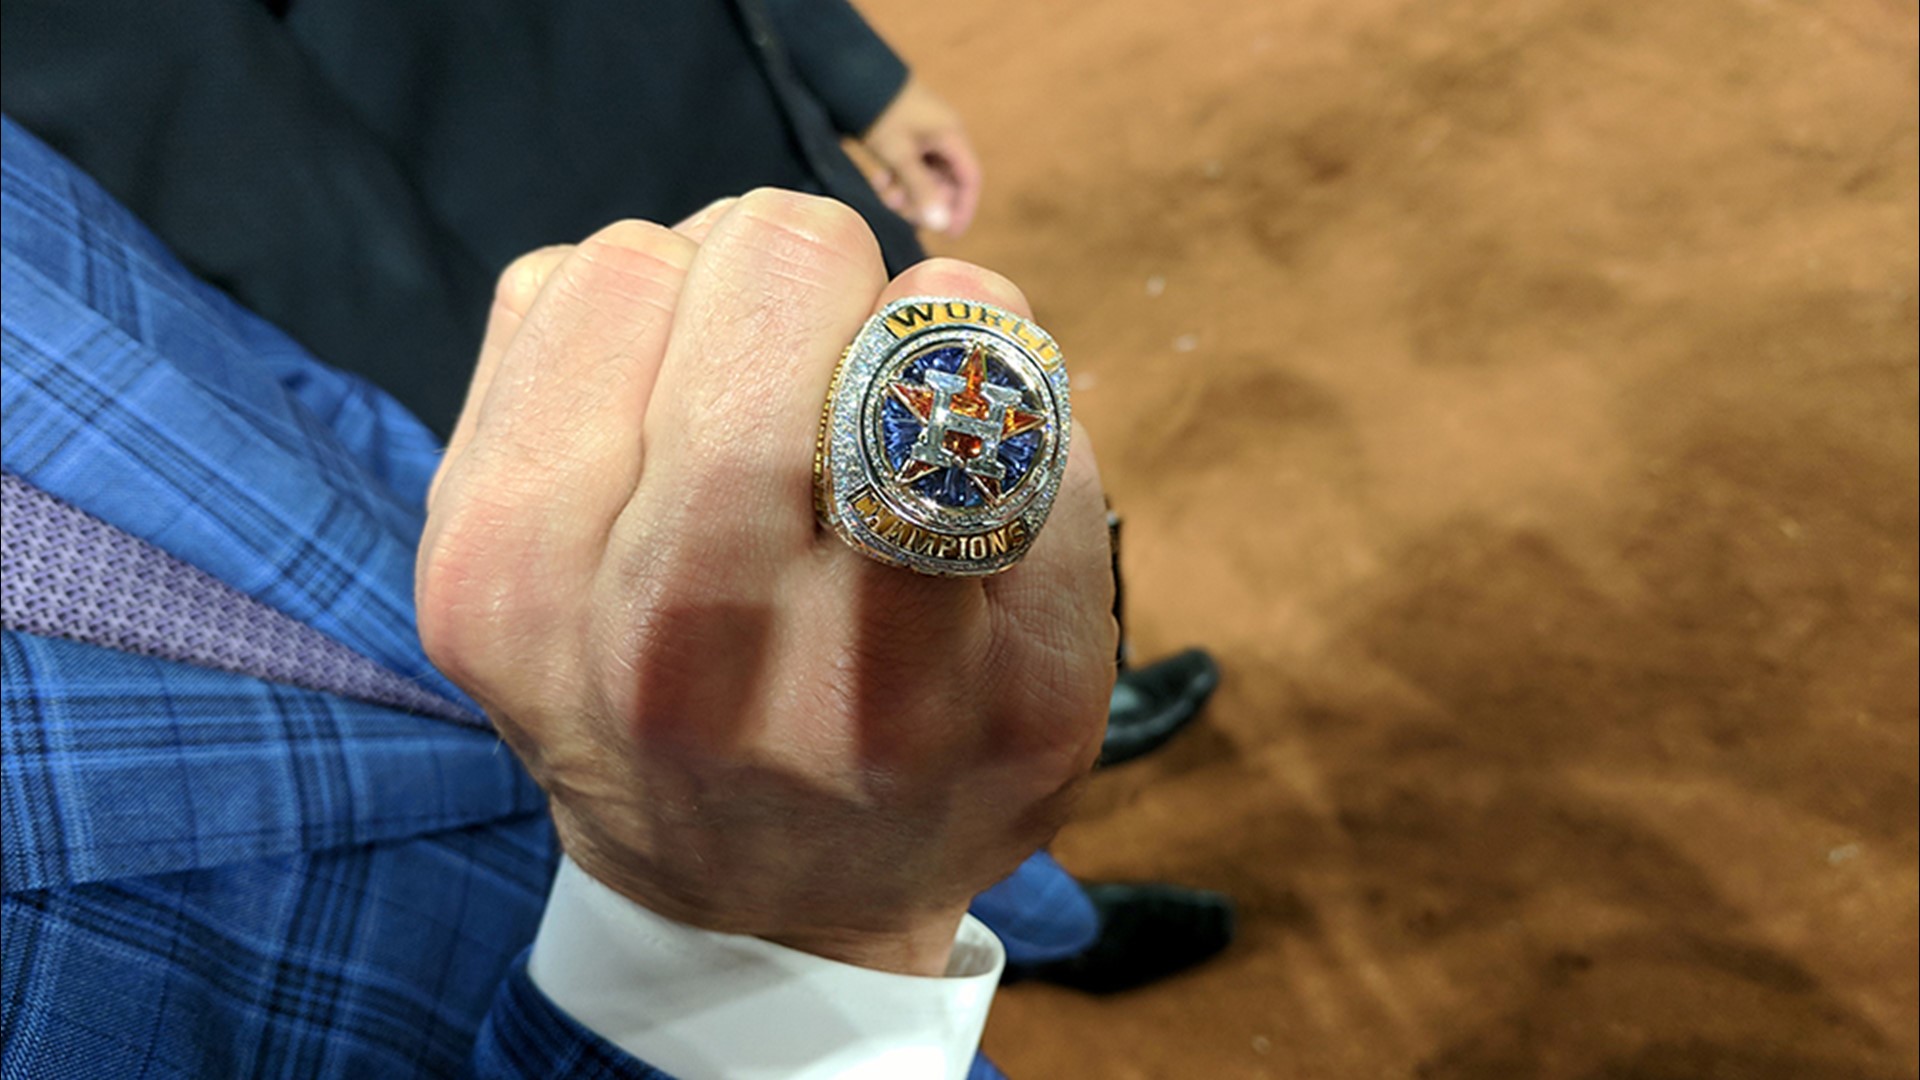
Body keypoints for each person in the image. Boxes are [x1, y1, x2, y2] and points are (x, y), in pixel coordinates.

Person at [0, 118, 1228, 1078]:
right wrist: (783, 942)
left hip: (568, 651)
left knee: (933, 777)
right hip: (502, 1004)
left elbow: (266, 380)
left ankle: (1053, 930)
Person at [2, 0, 1221, 824]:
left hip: (702, 109)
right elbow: (173, 107)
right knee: (786, 690)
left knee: (972, 463)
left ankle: (1069, 712)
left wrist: (840, 59)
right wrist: (481, 404)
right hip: (501, 258)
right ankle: (1024, 905)